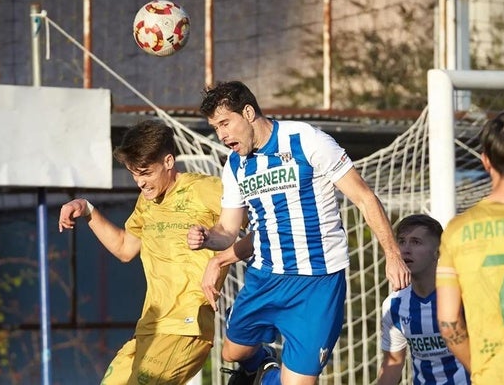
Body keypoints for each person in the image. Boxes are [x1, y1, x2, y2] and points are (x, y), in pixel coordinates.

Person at [186, 80, 411, 385]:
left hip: (318, 283)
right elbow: (227, 229)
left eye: (225, 123)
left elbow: (363, 197)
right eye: (216, 128)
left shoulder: (306, 140)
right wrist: (206, 239)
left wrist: (393, 255)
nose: (222, 135)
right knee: (232, 352)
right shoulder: (235, 166)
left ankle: (267, 378)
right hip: (265, 277)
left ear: (249, 112)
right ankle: (262, 367)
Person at [58, 120, 229, 385]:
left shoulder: (206, 189)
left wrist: (220, 258)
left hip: (187, 326)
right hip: (150, 327)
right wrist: (87, 210)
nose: (140, 182)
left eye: (146, 172)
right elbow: (125, 248)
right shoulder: (147, 202)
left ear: (169, 161)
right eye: (133, 174)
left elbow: (262, 220)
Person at [436, 111, 504, 384]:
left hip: (492, 374)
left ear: (486, 161)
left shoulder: (457, 230)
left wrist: (480, 368)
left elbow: (448, 320)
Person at [377, 214, 470, 385]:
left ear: (438, 252)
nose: (405, 249)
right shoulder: (394, 305)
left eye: (416, 242)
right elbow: (393, 363)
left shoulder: (465, 296)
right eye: (402, 241)